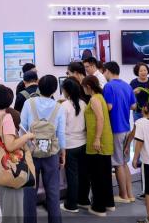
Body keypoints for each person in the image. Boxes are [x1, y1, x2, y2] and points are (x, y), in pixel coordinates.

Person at [0, 84, 33, 221]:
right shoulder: (6, 117)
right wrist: (27, 136)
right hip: (8, 171)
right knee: (11, 213)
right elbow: (10, 146)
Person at [21, 75, 66, 223]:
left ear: (39, 86)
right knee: (53, 191)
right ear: (54, 90)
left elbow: (22, 129)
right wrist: (63, 152)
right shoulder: (59, 107)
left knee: (29, 192)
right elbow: (60, 133)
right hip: (51, 154)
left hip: (31, 153)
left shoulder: (29, 103)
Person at [81, 75, 115, 217]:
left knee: (97, 175)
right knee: (105, 173)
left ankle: (99, 207)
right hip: (105, 139)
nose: (83, 90)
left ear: (88, 87)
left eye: (84, 87)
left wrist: (96, 138)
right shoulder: (100, 97)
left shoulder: (94, 99)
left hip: (98, 141)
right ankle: (109, 203)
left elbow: (100, 119)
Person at [103, 61, 136, 203]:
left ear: (107, 71)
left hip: (115, 128)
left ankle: (123, 195)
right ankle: (130, 194)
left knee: (117, 164)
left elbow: (109, 107)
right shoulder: (127, 85)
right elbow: (133, 106)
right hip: (126, 127)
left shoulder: (108, 86)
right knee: (124, 163)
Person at [60, 78, 89, 213]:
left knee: (72, 176)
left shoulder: (64, 106)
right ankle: (83, 200)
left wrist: (62, 149)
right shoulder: (83, 103)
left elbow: (61, 129)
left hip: (70, 145)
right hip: (83, 143)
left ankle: (71, 205)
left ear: (66, 90)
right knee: (83, 174)